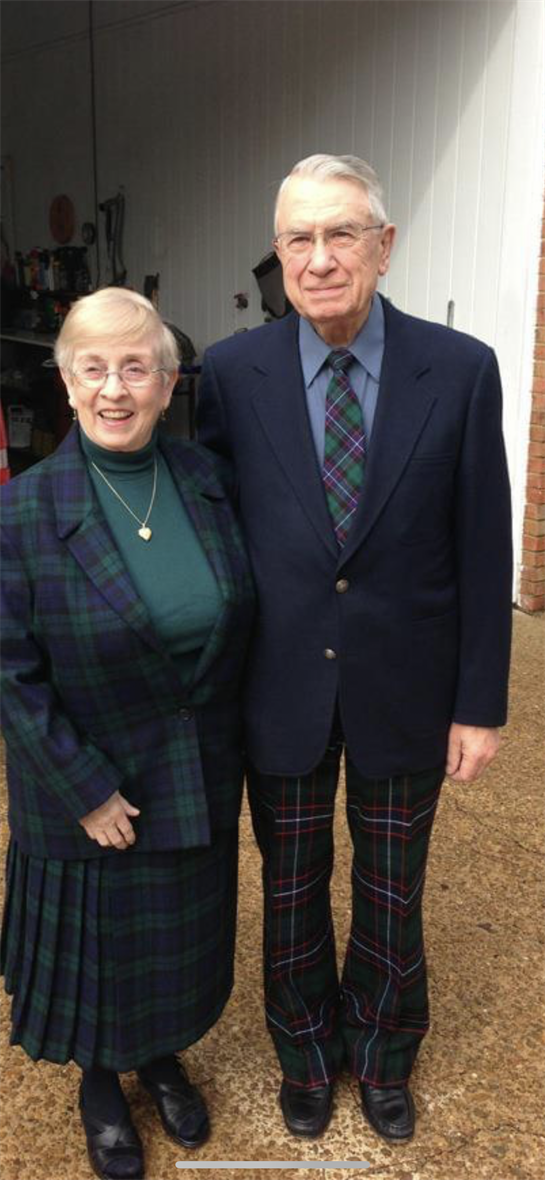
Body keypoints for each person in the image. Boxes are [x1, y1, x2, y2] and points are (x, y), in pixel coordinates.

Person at [197, 154, 512, 1143]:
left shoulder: (457, 369)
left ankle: (380, 1051)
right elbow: (212, 539)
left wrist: (479, 700)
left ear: (382, 245)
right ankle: (302, 1050)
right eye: (299, 238)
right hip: (278, 684)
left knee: (389, 888)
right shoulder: (231, 372)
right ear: (279, 253)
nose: (320, 257)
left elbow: (480, 543)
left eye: (341, 234)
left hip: (405, 687)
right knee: (288, 885)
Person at [0, 287, 254, 1180]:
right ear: (66, 385)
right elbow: (9, 673)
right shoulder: (21, 512)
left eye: (134, 368)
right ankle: (102, 1083)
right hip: (89, 785)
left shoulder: (207, 482)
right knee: (102, 950)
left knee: (175, 943)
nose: (115, 389)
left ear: (167, 381)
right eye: (93, 369)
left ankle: (160, 1054)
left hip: (190, 769)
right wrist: (85, 788)